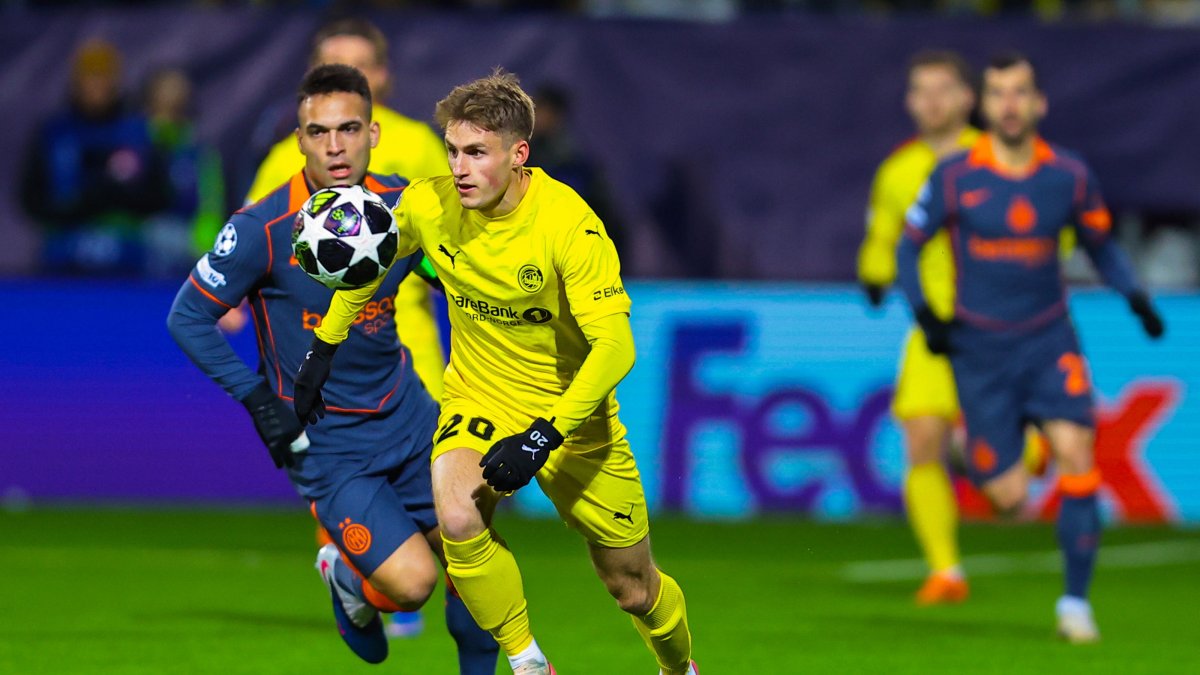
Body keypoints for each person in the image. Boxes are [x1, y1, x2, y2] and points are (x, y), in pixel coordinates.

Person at [294, 70, 698, 675]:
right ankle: (527, 660)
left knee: (632, 587)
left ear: (519, 154)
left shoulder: (570, 225)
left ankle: (678, 666)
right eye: (454, 150)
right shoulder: (430, 204)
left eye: (476, 153)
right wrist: (323, 347)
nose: (459, 168)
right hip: (479, 396)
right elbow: (370, 263)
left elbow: (615, 348)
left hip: (573, 418)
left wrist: (544, 436)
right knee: (456, 514)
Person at [166, 64, 498, 672]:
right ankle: (348, 580)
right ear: (299, 140)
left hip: (412, 418)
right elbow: (187, 317)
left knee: (477, 568)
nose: (335, 146)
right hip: (328, 445)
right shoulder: (262, 230)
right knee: (413, 586)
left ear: (374, 133)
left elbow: (456, 280)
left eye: (349, 129)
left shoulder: (404, 206)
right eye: (318, 132)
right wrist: (258, 399)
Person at [897, 52, 1165, 643]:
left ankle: (1075, 604)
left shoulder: (1067, 175)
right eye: (998, 93)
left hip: (1049, 339)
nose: (1009, 105)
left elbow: (1101, 245)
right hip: (980, 351)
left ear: (1039, 103)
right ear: (984, 105)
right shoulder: (956, 176)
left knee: (1077, 451)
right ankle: (973, 453)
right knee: (1008, 499)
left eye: (1020, 93)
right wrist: (926, 316)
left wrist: (1135, 296)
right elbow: (907, 248)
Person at [244, 17, 448, 405]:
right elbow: (249, 235)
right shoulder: (287, 155)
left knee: (434, 458)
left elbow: (460, 232)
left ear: (383, 74)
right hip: (319, 348)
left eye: (361, 64)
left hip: (407, 343)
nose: (346, 74)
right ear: (312, 74)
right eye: (334, 63)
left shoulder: (418, 144)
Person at [857, 50, 981, 605]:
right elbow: (883, 238)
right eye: (920, 91)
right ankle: (946, 571)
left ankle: (1022, 447)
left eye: (943, 90)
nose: (931, 101)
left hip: (1001, 328)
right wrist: (874, 275)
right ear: (910, 102)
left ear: (966, 98)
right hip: (933, 328)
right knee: (922, 439)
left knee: (998, 478)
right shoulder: (899, 170)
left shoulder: (998, 157)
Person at [20, 38, 170, 276]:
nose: (97, 84)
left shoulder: (138, 132)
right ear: (77, 81)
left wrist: (116, 196)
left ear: (116, 80)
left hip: (129, 252)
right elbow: (30, 198)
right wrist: (77, 206)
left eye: (104, 76)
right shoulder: (55, 133)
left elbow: (161, 195)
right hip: (63, 252)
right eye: (90, 76)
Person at [142, 66, 226, 276]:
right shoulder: (135, 140)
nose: (172, 101)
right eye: (164, 96)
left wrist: (205, 244)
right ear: (151, 101)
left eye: (177, 96)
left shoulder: (198, 150)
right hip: (140, 235)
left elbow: (211, 207)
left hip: (183, 237)